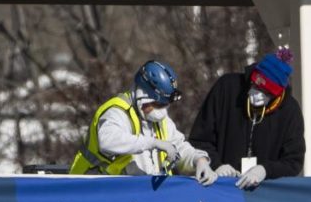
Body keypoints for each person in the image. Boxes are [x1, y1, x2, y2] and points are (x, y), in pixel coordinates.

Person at [70, 60, 216, 185]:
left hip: (140, 197)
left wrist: (199, 160)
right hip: (93, 192)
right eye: (158, 104)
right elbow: (108, 140)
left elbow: (179, 146)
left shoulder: (159, 120)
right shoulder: (117, 112)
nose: (162, 110)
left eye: (165, 105)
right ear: (142, 96)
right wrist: (153, 143)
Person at [188, 49, 305, 190]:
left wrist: (265, 170)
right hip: (220, 186)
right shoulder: (227, 88)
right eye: (255, 86)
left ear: (276, 95)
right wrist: (216, 165)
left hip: (263, 192)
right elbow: (199, 139)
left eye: (266, 93)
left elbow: (293, 161)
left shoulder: (290, 111)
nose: (258, 95)